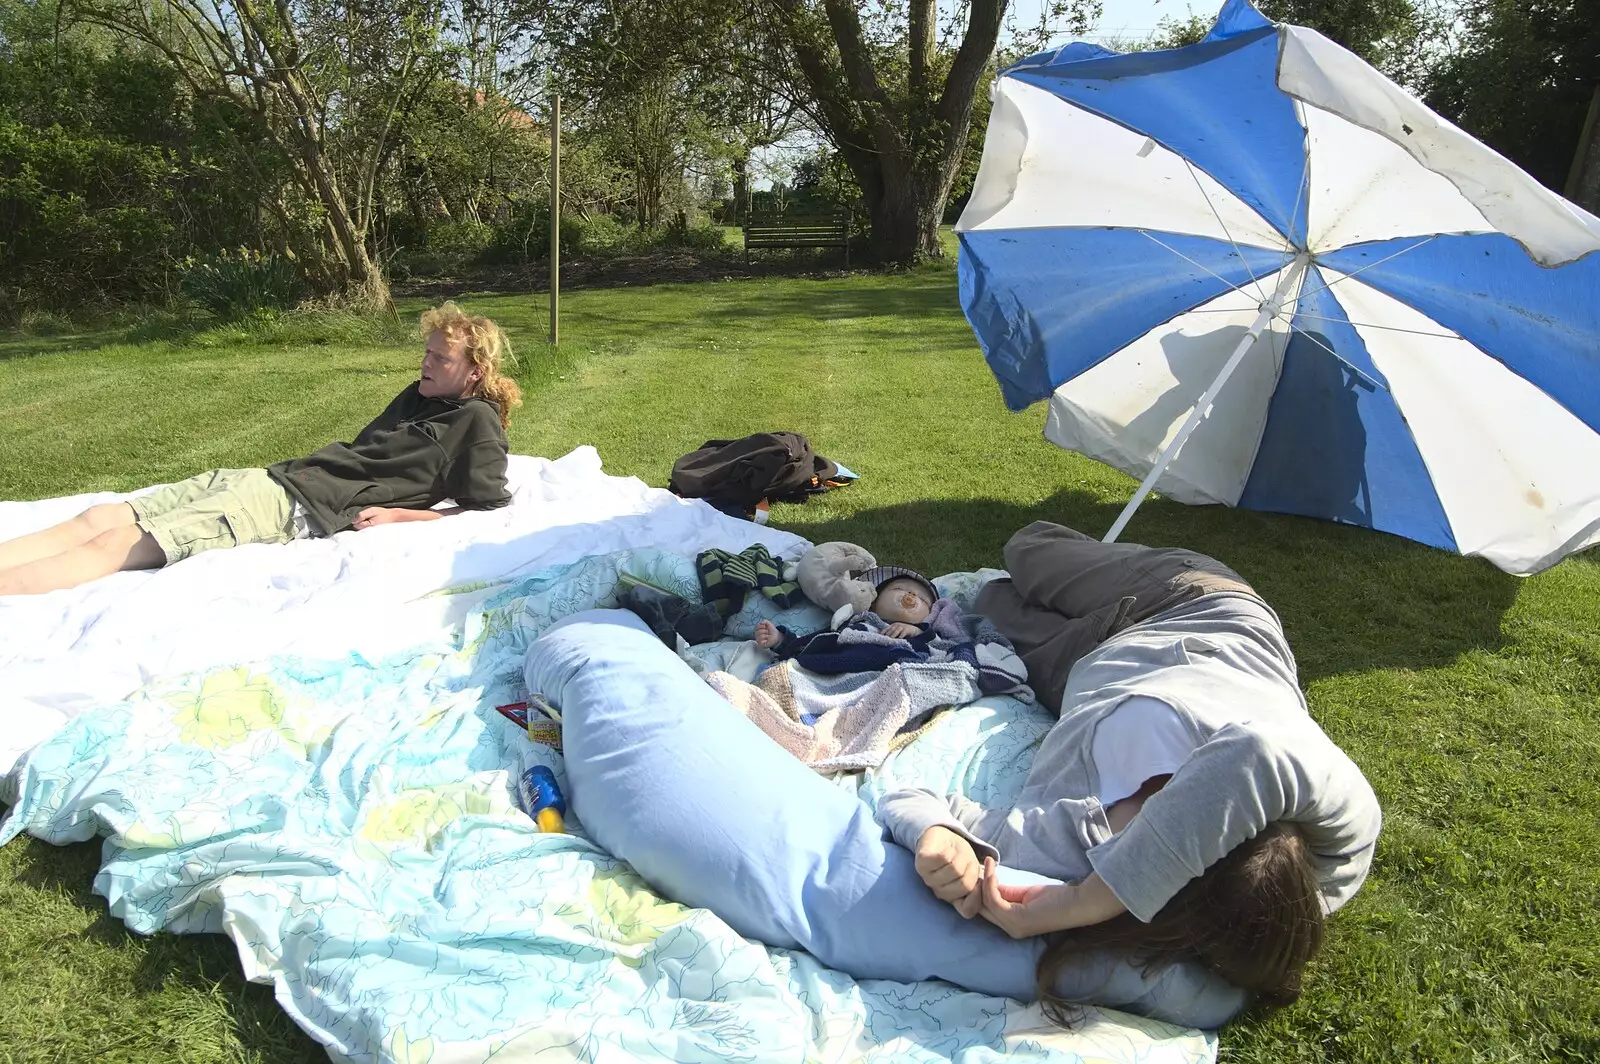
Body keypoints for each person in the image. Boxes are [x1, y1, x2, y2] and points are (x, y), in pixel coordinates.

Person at [876, 521, 1383, 1022]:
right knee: (1027, 548)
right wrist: (1089, 901)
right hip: (1196, 612)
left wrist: (938, 837)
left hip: (1086, 667)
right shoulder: (1325, 855)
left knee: (988, 602)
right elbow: (1255, 754)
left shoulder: (1077, 848)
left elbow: (911, 800)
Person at [0, 302, 521, 596]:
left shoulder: (475, 423)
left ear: (475, 370)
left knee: (116, 545)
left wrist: (399, 517)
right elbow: (366, 454)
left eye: (439, 359)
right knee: (100, 517)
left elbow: (484, 509)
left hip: (290, 507)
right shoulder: (418, 395)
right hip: (268, 478)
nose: (425, 364)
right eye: (426, 353)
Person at [753, 565, 941, 653]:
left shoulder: (922, 634)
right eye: (899, 589)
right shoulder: (855, 623)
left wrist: (917, 631)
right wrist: (781, 640)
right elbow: (818, 642)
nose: (912, 596)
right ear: (873, 601)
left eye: (923, 600)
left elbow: (940, 647)